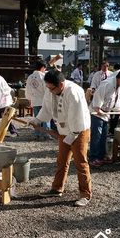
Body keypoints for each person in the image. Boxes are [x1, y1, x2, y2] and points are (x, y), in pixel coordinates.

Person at [30, 70, 92, 207]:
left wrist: (71, 137)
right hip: (64, 130)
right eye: (48, 87)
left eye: (52, 88)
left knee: (80, 162)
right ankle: (57, 188)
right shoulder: (50, 89)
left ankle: (85, 194)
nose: (50, 91)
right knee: (62, 160)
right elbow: (46, 109)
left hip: (79, 130)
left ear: (61, 84)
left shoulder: (74, 92)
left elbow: (78, 119)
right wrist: (37, 120)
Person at [89, 70, 120, 167]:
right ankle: (93, 158)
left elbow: (116, 99)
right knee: (97, 136)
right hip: (97, 113)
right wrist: (98, 108)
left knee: (103, 136)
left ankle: (101, 156)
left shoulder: (117, 85)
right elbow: (97, 95)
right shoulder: (107, 84)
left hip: (105, 113)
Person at [26, 61, 51, 140]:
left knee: (37, 118)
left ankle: (37, 134)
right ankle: (46, 134)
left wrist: (29, 100)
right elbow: (47, 89)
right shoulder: (44, 76)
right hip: (43, 100)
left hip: (35, 100)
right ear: (43, 67)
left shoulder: (30, 77)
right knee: (45, 117)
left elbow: (28, 90)